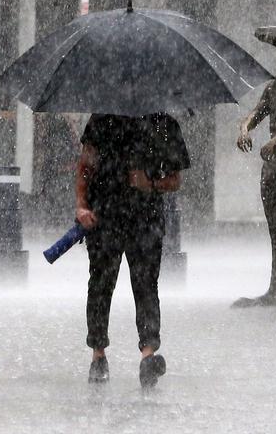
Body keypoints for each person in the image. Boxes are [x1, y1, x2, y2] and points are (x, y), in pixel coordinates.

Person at [75, 112, 190, 388]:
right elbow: (85, 166)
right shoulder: (101, 121)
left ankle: (148, 354)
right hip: (104, 218)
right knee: (101, 284)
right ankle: (98, 354)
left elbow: (174, 180)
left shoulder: (164, 125)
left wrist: (149, 183)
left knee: (146, 285)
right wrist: (81, 204)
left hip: (146, 220)